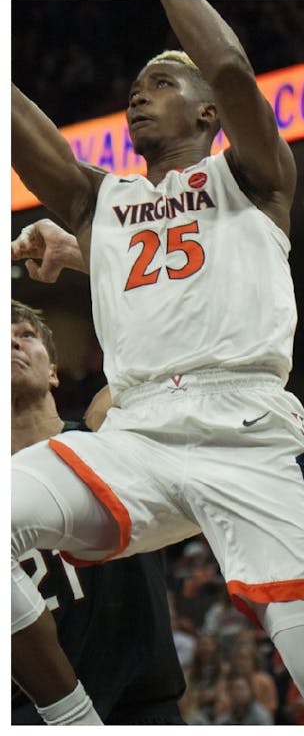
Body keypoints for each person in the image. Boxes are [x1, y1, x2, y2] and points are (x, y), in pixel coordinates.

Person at [10, 0, 304, 725]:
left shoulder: (252, 175)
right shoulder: (99, 200)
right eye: (134, 89)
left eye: (159, 83)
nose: (137, 95)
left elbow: (228, 65)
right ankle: (72, 719)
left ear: (209, 114)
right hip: (139, 432)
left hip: (245, 428)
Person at [10, 299, 187, 724]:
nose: (11, 344)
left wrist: (91, 255)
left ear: (53, 370)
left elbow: (172, 343)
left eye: (25, 335)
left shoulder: (108, 434)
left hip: (143, 708)